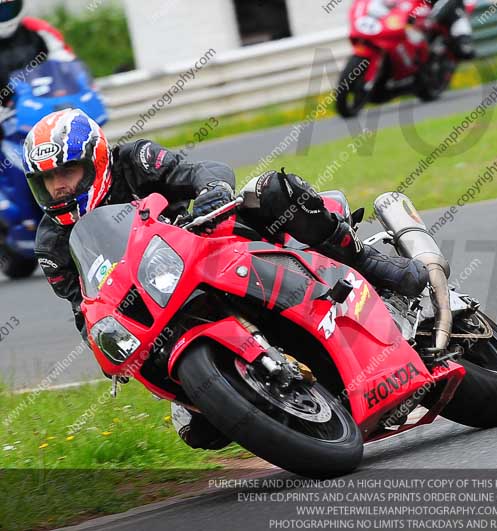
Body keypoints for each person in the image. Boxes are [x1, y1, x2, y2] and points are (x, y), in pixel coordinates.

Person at [24, 108, 429, 450]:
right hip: (162, 303)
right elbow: (83, 305)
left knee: (270, 190)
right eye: (47, 179)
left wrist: (213, 190)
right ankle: (275, 399)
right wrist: (101, 339)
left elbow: (200, 171)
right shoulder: (51, 245)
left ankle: (370, 264)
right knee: (197, 430)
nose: (58, 186)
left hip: (212, 241)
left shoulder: (136, 160)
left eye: (68, 172)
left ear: (94, 162)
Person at [0, 0, 74, 140]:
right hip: (6, 118)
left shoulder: (39, 29)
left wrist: (78, 88)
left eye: (9, 8)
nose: (4, 14)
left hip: (44, 108)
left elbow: (66, 61)